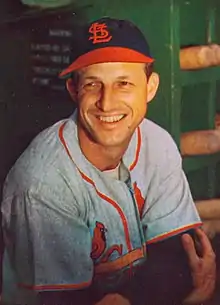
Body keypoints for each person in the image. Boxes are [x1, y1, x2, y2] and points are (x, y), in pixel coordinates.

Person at [1, 17, 216, 305]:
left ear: (150, 88)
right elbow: (62, 300)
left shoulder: (157, 143)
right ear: (74, 91)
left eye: (123, 83)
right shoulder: (43, 183)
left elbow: (178, 255)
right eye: (93, 84)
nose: (107, 102)